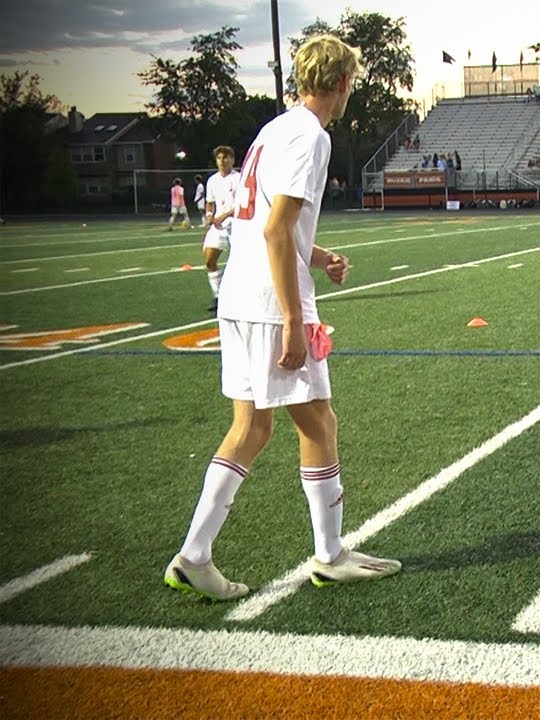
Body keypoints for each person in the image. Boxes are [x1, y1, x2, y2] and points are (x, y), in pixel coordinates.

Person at [163, 34, 400, 602]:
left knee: (252, 427)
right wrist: (295, 320)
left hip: (239, 299)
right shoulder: (311, 137)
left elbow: (267, 224)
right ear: (341, 83)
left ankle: (194, 556)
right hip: (272, 304)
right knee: (319, 424)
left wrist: (317, 255)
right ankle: (329, 553)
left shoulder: (273, 129)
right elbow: (273, 229)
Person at [201, 145, 240, 313]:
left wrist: (226, 215)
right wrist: (209, 215)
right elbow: (210, 202)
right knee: (209, 260)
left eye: (226, 157)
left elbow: (244, 204)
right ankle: (218, 296)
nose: (222, 161)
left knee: (238, 263)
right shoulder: (212, 180)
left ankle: (235, 295)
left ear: (232, 159)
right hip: (218, 226)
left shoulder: (239, 179)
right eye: (219, 158)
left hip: (237, 226)